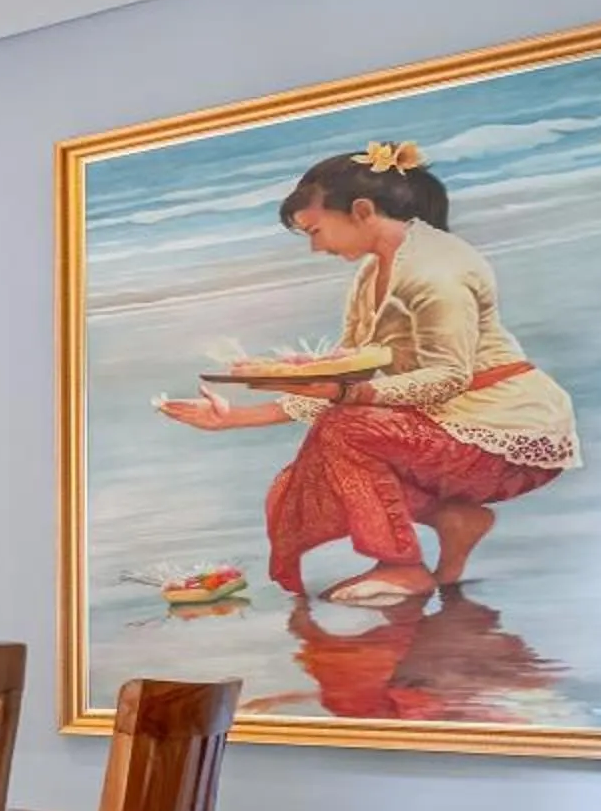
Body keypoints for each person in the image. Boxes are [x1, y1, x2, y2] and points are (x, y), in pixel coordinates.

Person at [157, 140, 578, 605]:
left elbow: (448, 376)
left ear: (360, 211)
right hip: (443, 425)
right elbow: (352, 375)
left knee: (342, 431)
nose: (316, 248)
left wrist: (342, 392)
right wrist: (236, 416)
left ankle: (402, 566)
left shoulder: (436, 272)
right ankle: (452, 520)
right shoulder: (374, 271)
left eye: (315, 231)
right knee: (318, 460)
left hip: (503, 431)